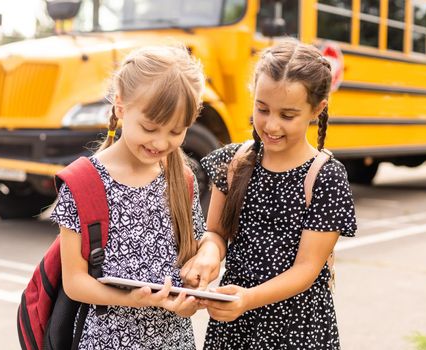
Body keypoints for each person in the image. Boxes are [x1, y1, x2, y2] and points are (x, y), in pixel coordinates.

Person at [181, 40, 357, 349]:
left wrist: (248, 299)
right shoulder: (233, 162)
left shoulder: (325, 177)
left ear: (317, 109)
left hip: (298, 328)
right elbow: (216, 233)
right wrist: (208, 254)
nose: (271, 125)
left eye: (287, 115)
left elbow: (306, 269)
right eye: (262, 109)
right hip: (234, 324)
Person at [51, 45, 206, 349]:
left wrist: (193, 292)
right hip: (105, 341)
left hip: (175, 341)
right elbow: (75, 283)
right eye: (149, 128)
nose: (161, 142)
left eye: (176, 131)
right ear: (120, 107)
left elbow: (192, 259)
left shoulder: (183, 180)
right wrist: (130, 300)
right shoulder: (83, 182)